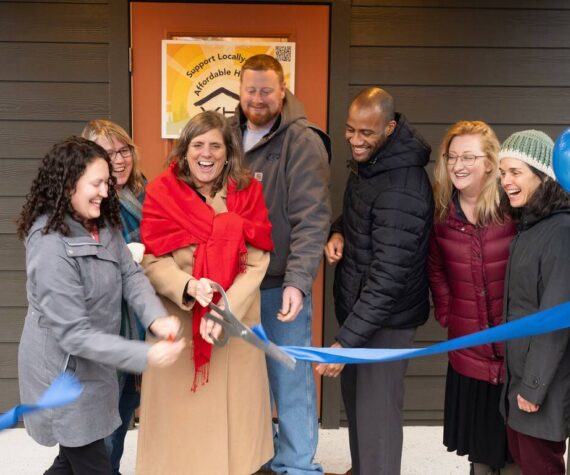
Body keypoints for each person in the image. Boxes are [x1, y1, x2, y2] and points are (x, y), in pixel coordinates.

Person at [16, 136, 185, 475]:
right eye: (96, 183)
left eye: (106, 182)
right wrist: (145, 355)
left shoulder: (101, 225)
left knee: (70, 461)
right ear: (67, 186)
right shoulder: (49, 246)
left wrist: (155, 318)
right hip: (63, 375)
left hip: (94, 370)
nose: (106, 192)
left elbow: (130, 273)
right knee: (93, 463)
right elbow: (74, 334)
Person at [136, 111, 275, 475]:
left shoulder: (248, 194)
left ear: (229, 153)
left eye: (215, 145)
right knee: (179, 438)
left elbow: (258, 262)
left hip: (233, 327)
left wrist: (223, 311)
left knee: (235, 441)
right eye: (198, 145)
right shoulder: (161, 194)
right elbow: (152, 259)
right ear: (184, 152)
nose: (206, 153)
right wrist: (187, 285)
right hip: (179, 325)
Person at [320, 87, 434, 475]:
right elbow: (362, 217)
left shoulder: (402, 186)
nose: (354, 140)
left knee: (378, 417)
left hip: (386, 321)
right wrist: (338, 232)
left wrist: (345, 340)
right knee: (360, 408)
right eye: (350, 130)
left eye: (365, 133)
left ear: (389, 126)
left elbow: (389, 276)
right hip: (362, 314)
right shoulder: (373, 165)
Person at [230, 54, 331, 475]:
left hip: (278, 284)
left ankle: (297, 465)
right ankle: (259, 456)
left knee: (289, 379)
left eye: (266, 90)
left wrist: (298, 282)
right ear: (239, 90)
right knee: (244, 380)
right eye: (250, 90)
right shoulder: (226, 134)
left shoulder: (301, 140)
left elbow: (312, 217)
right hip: (234, 284)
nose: (257, 99)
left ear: (283, 89)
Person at [428, 121, 518, 475]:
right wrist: (448, 311)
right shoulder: (442, 215)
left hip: (514, 356)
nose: (458, 165)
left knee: (515, 453)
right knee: (480, 453)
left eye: (468, 156)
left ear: (491, 163)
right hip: (470, 353)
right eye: (452, 157)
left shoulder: (514, 209)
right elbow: (435, 268)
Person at [498, 130, 570, 474]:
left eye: (515, 172)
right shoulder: (529, 226)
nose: (505, 181)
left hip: (542, 389)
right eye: (502, 173)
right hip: (521, 382)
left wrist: (534, 387)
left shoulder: (560, 231)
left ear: (543, 176)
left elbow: (555, 318)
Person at [82, 119, 147, 475]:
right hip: (104, 325)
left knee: (123, 411)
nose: (119, 160)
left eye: (124, 150)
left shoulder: (146, 194)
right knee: (100, 422)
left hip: (136, 323)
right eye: (108, 154)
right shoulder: (85, 201)